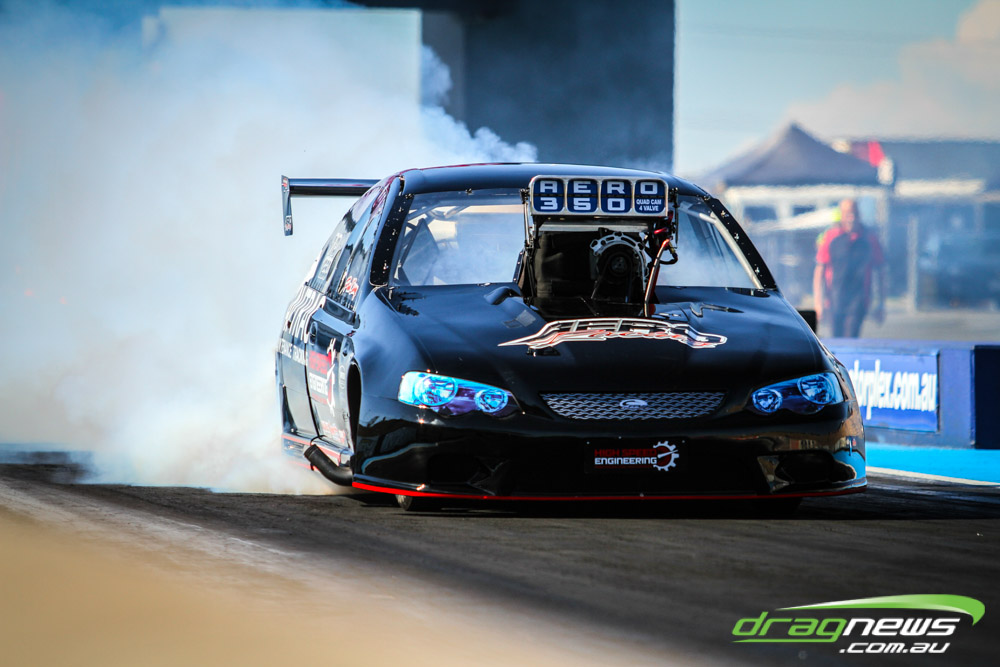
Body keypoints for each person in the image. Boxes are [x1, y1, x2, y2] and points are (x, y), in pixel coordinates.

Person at [813, 199, 886, 338]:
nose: (851, 218)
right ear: (841, 215)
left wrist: (881, 304)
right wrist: (818, 303)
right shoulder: (831, 236)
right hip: (834, 299)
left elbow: (880, 270)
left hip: (859, 299)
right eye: (847, 214)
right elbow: (820, 270)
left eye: (854, 213)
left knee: (851, 336)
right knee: (835, 339)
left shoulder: (869, 238)